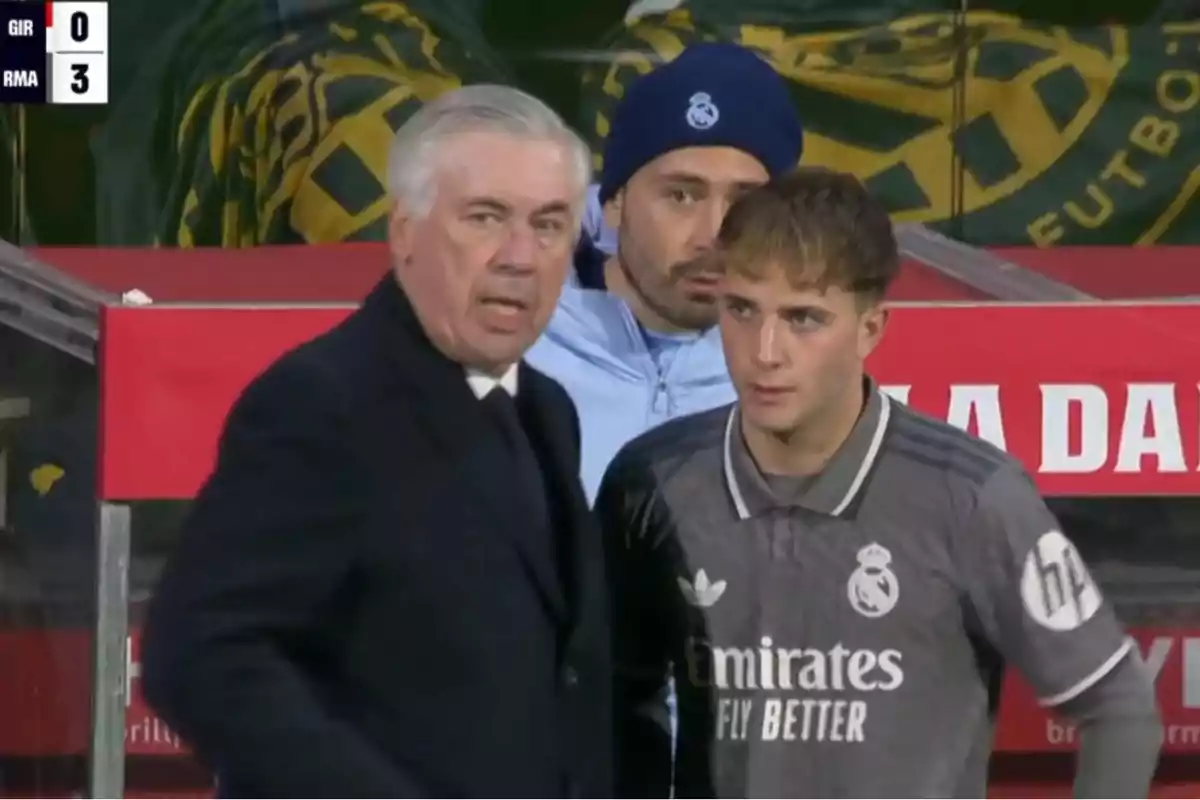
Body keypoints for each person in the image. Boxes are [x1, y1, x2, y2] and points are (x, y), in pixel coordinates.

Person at [596, 167, 1163, 798]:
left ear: (871, 329)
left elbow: (1118, 706)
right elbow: (619, 697)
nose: (765, 350)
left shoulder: (971, 495)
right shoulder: (654, 482)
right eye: (741, 309)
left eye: (804, 318)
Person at [141, 84, 613, 798]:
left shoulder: (545, 410)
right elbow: (203, 653)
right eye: (485, 218)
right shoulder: (323, 405)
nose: (520, 256)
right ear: (403, 232)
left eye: (549, 225)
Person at [527, 41, 804, 502]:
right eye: (681, 196)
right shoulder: (518, 349)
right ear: (614, 203)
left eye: (744, 201)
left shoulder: (806, 371)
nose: (713, 234)